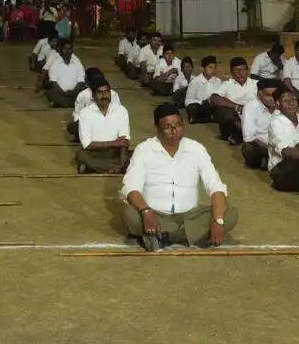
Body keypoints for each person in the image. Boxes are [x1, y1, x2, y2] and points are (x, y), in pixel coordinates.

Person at [119, 102, 236, 251]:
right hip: (155, 213)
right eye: (168, 127)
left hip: (190, 215)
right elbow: (131, 187)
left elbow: (216, 186)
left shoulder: (196, 149)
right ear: (157, 129)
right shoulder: (144, 150)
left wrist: (218, 221)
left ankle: (163, 236)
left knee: (230, 214)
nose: (174, 131)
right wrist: (146, 212)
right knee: (129, 214)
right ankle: (192, 235)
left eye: (178, 125)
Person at [76, 74, 131, 174]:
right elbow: (87, 145)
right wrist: (113, 143)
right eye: (100, 93)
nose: (104, 96)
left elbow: (124, 141)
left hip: (115, 152)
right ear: (93, 95)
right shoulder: (85, 113)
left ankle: (98, 168)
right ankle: (118, 168)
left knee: (137, 154)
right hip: (94, 153)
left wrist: (121, 164)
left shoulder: (121, 110)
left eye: (107, 92)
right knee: (81, 154)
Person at [211, 57, 257, 145]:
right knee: (222, 111)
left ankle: (240, 135)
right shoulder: (227, 84)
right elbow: (214, 98)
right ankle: (242, 134)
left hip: (253, 118)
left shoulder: (256, 84)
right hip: (235, 118)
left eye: (243, 69)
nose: (240, 73)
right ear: (231, 73)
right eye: (236, 70)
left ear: (248, 70)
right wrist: (236, 106)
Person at [68, 68, 123, 140]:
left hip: (107, 123)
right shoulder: (83, 95)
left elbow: (117, 114)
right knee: (72, 127)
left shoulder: (113, 94)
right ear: (88, 82)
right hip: (89, 124)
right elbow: (77, 114)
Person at [240, 79, 281, 170]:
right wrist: (272, 150)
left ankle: (269, 161)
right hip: (262, 146)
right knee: (248, 149)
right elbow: (249, 138)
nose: (272, 98)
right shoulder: (250, 107)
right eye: (268, 95)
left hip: (281, 144)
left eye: (275, 95)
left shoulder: (283, 104)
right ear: (259, 95)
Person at [40, 38, 85, 108]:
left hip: (74, 93)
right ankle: (68, 103)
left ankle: (61, 103)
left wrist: (73, 92)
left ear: (72, 50)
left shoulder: (77, 62)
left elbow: (81, 81)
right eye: (65, 49)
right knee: (51, 92)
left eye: (69, 49)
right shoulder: (55, 63)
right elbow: (53, 82)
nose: (67, 51)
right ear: (61, 50)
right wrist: (63, 93)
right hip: (59, 92)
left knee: (85, 93)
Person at [184, 55, 225, 124]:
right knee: (192, 108)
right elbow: (187, 101)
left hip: (212, 107)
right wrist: (202, 102)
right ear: (203, 69)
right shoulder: (195, 81)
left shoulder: (218, 81)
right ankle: (209, 118)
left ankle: (203, 119)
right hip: (200, 106)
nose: (213, 70)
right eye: (210, 68)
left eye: (214, 68)